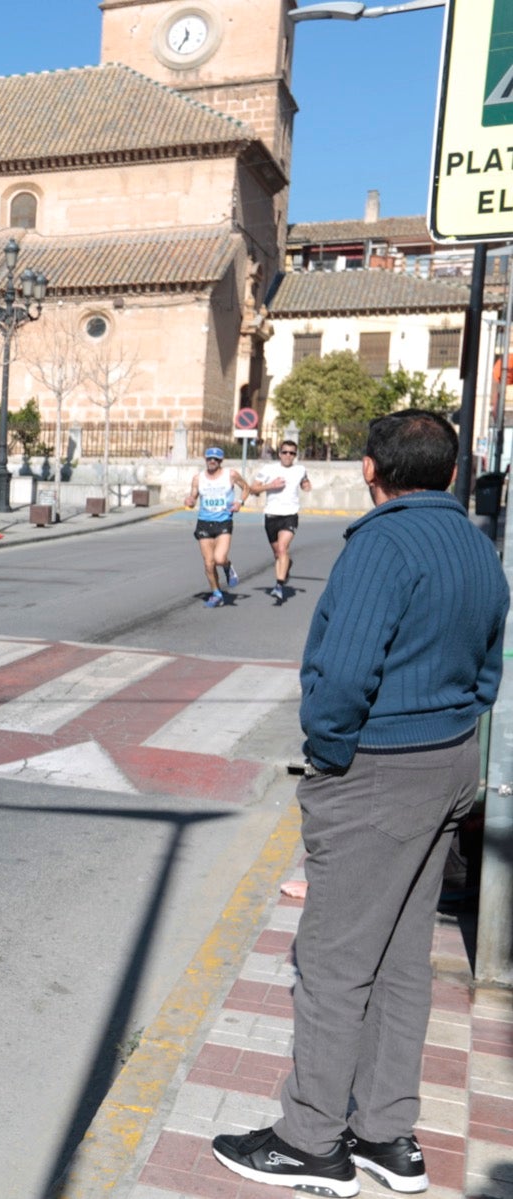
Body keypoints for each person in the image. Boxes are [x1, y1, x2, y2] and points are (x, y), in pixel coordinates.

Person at [211, 409, 507, 1197]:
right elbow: (488, 668)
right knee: (405, 955)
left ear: (372, 470)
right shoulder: (478, 547)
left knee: (336, 960)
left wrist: (330, 752)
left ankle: (311, 1138)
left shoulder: (381, 543)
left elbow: (342, 676)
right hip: (447, 760)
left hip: (378, 764)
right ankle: (386, 1131)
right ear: (450, 472)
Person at [249, 439, 312, 602]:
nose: (288, 456)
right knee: (278, 553)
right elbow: (253, 489)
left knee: (283, 548)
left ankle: (279, 585)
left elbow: (305, 482)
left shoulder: (300, 469)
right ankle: (286, 565)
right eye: (285, 452)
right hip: (271, 515)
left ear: (295, 455)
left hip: (290, 515)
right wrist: (271, 485)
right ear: (279, 453)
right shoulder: (269, 469)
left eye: (292, 453)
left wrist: (306, 485)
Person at [185, 446, 246, 608]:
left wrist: (240, 502)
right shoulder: (198, 478)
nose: (212, 461)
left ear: (221, 461)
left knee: (219, 559)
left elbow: (246, 487)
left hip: (224, 521)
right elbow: (192, 497)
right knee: (208, 563)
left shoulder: (230, 475)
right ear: (205, 459)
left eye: (216, 459)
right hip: (204, 522)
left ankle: (227, 566)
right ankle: (216, 593)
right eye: (209, 458)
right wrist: (190, 501)